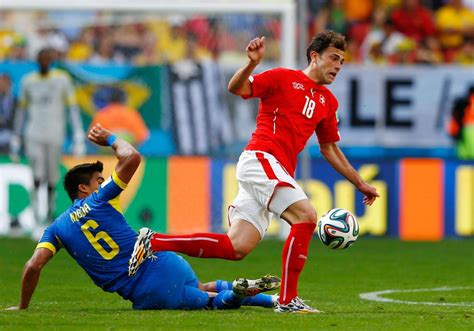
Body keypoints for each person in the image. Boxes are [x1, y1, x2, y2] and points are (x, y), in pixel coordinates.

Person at [129, 31, 379, 313]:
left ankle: (154, 240)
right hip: (261, 158)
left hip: (274, 169)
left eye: (342, 62)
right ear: (314, 56)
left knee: (236, 247)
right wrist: (251, 64)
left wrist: (360, 183)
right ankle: (287, 301)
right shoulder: (282, 77)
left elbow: (330, 148)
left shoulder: (328, 102)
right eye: (333, 58)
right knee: (306, 217)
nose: (338, 66)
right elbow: (237, 88)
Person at [6, 123, 280, 311]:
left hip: (146, 289)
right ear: (83, 188)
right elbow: (132, 157)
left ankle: (236, 293)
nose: (102, 186)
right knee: (202, 288)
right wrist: (111, 139)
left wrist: (22, 306)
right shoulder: (100, 200)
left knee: (211, 302)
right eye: (98, 181)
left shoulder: (55, 229)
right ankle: (272, 300)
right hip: (163, 261)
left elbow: (32, 266)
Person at [10, 47, 86, 225]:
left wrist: (78, 135)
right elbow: (21, 111)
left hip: (55, 133)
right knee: (37, 174)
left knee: (52, 176)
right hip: (33, 133)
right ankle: (36, 215)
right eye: (41, 59)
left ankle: (49, 214)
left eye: (47, 59)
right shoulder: (28, 81)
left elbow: (72, 107)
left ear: (51, 60)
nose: (44, 62)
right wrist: (16, 135)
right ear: (37, 61)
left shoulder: (62, 79)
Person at [447, 86, 474, 159]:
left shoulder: (464, 101)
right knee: (467, 150)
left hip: (465, 127)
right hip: (467, 127)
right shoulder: (466, 101)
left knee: (464, 151)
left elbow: (456, 114)